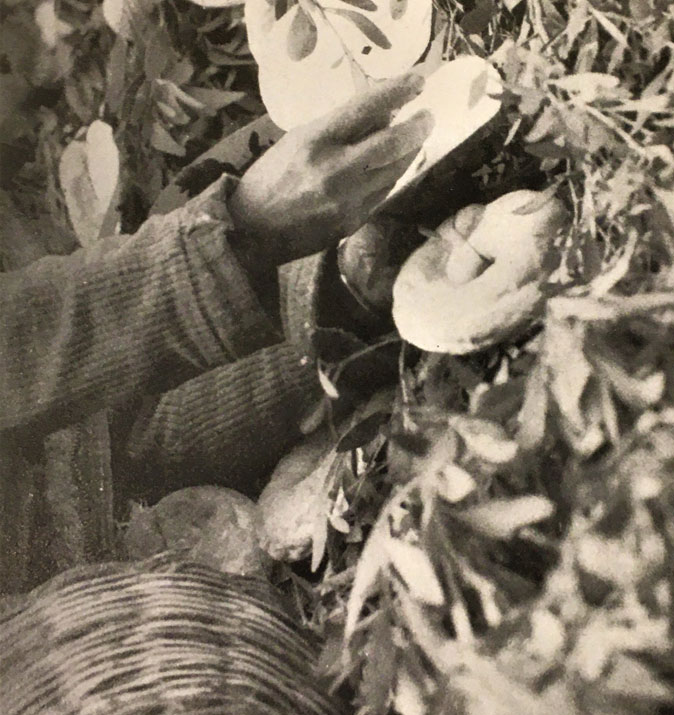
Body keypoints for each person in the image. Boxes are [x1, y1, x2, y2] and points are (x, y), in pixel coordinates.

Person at [0, 77, 432, 591]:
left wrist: (327, 293)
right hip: (125, 600)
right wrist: (242, 237)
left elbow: (117, 427)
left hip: (103, 439)